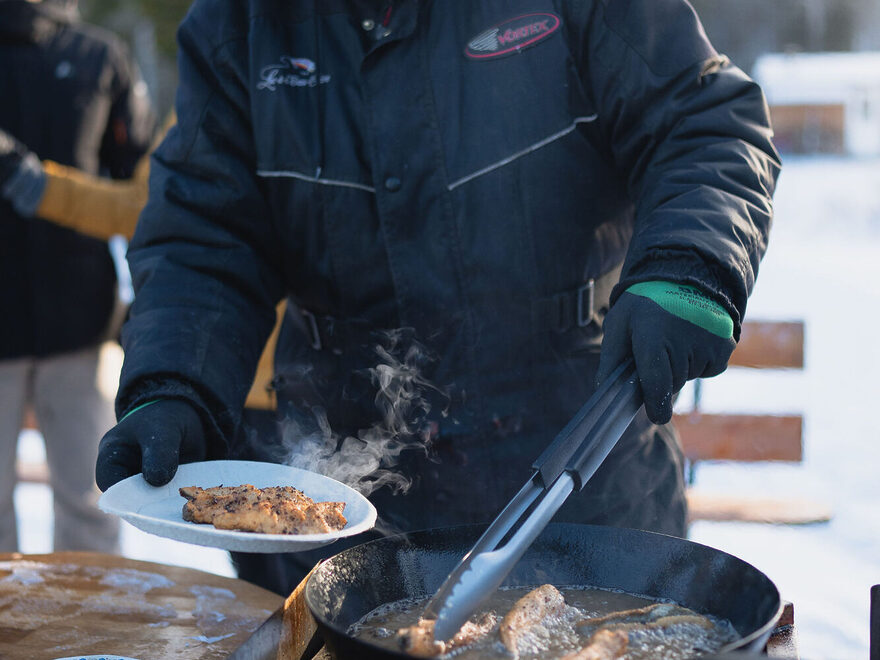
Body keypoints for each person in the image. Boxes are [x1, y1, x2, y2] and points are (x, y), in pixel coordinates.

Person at [95, 0, 780, 595]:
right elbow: (202, 234)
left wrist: (686, 265)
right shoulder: (239, 22)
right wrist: (176, 383)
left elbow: (702, 122)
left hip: (578, 467)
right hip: (342, 494)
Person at [0, 0, 155, 553]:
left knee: (90, 498)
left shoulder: (100, 55)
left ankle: (91, 609)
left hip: (79, 324)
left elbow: (142, 191)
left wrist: (151, 297)